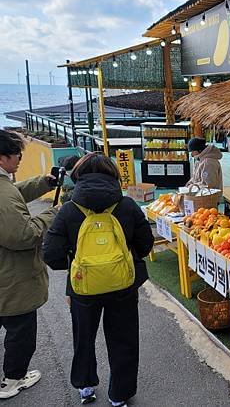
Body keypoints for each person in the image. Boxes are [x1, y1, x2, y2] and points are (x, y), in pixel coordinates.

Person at [43, 152, 153, 406]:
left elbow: (50, 254)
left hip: (83, 288)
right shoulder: (126, 206)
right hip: (123, 286)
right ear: (113, 175)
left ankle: (85, 386)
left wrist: (76, 267)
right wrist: (124, 261)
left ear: (78, 177)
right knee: (123, 338)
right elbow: (146, 242)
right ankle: (119, 395)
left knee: (84, 337)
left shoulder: (70, 210)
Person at [0, 130, 58, 400]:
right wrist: (51, 214)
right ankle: (13, 379)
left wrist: (43, 183)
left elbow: (12, 195)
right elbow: (22, 235)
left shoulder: (5, 188)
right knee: (21, 330)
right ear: (2, 158)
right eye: (17, 155)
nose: (20, 159)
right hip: (11, 278)